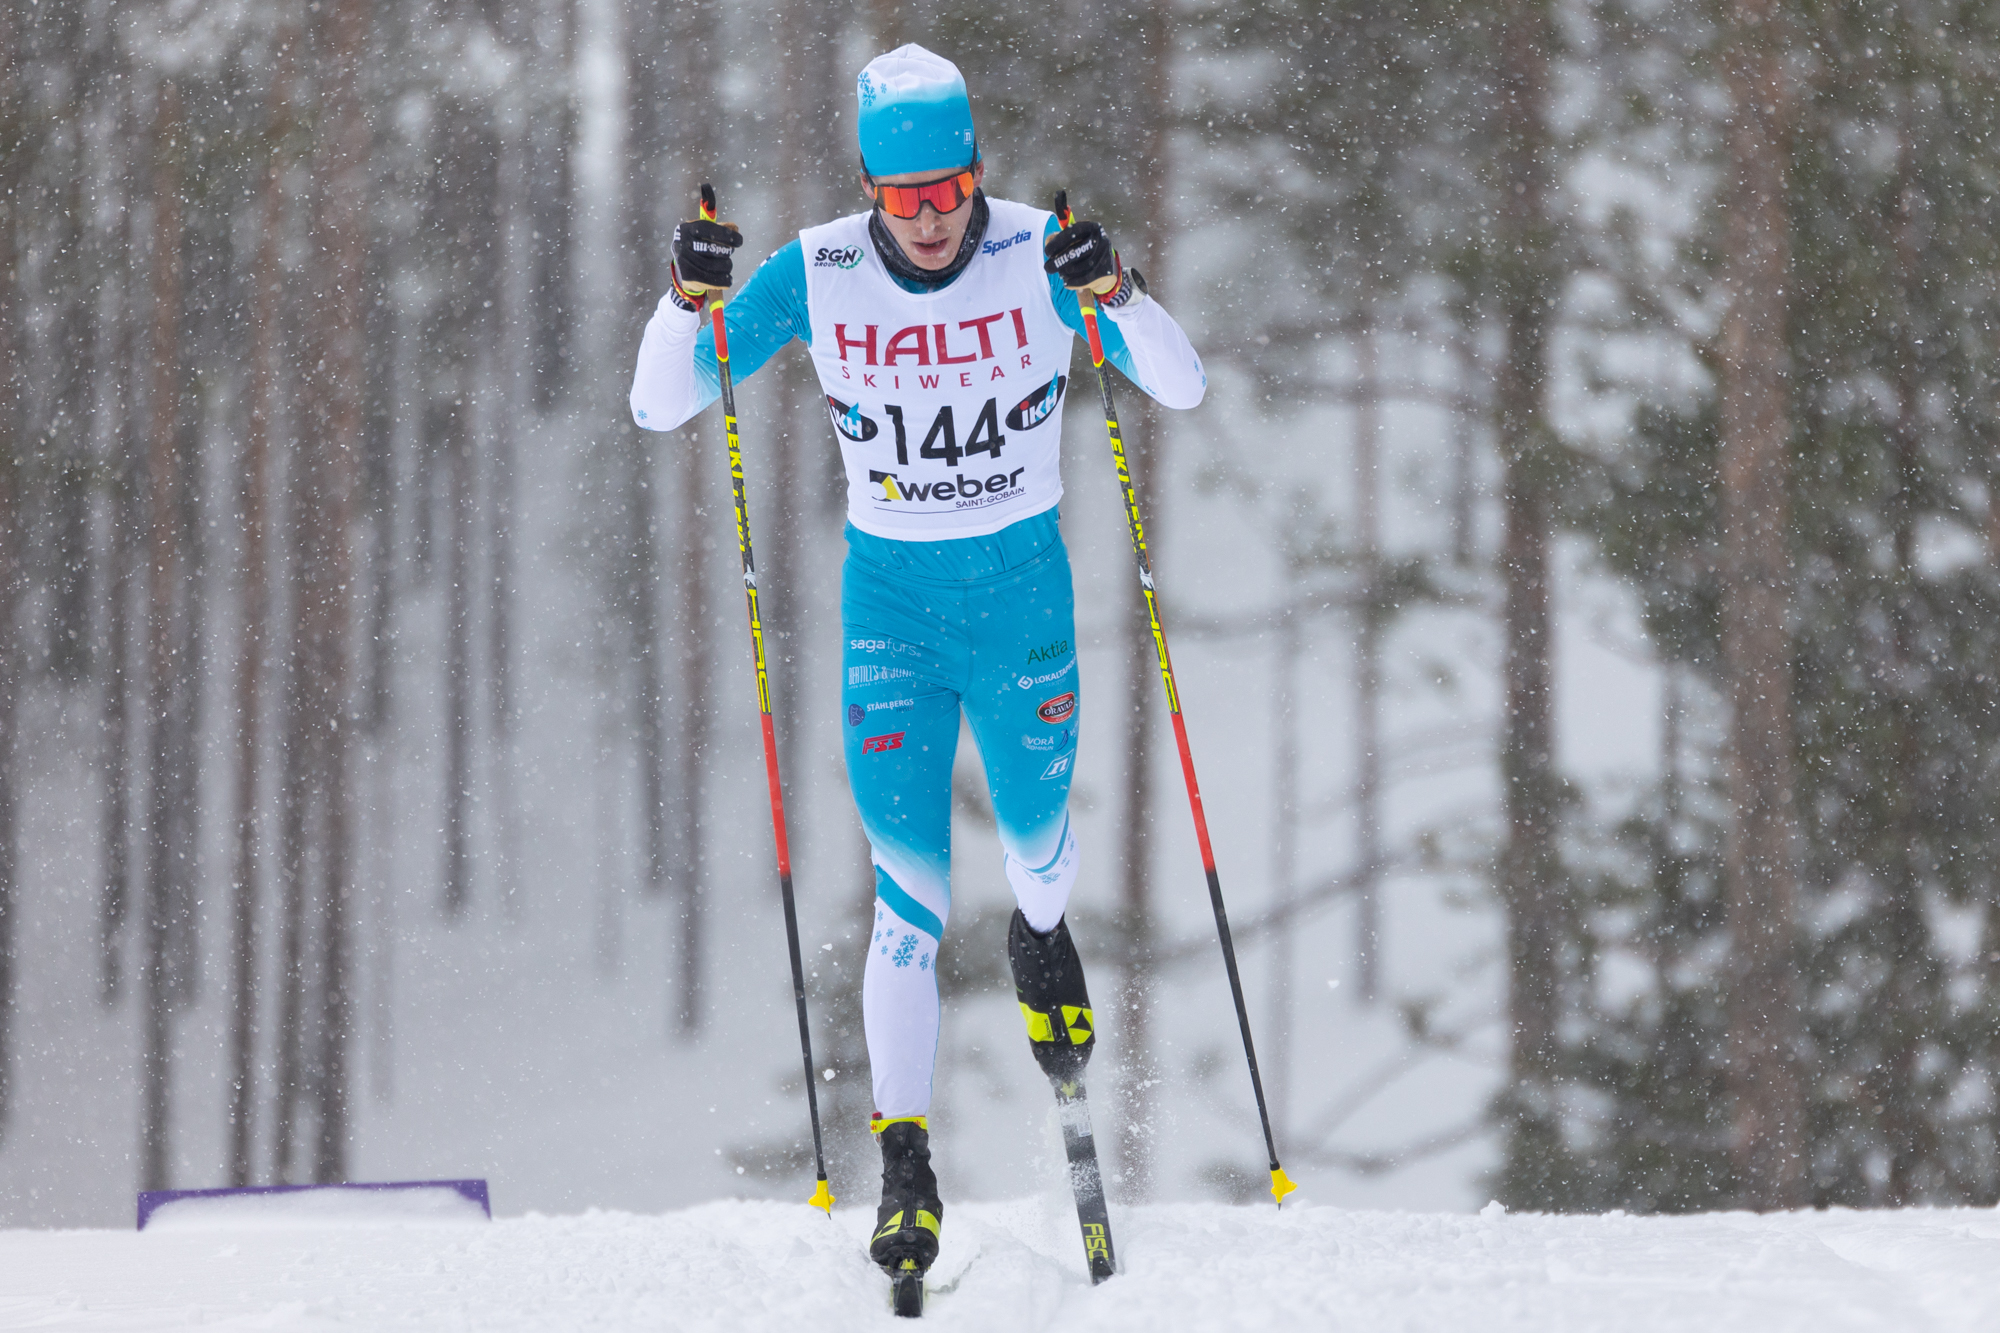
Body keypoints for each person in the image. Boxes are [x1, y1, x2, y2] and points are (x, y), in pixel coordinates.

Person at [629, 44, 1206, 1278]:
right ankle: (906, 1166)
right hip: (889, 606)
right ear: (867, 192)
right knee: (910, 892)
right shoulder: (821, 270)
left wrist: (1116, 294)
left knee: (1035, 843)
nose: (933, 219)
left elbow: (1181, 384)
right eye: (903, 198)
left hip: (1020, 598)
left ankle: (1042, 940)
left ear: (976, 174)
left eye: (949, 190)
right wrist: (681, 305)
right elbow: (661, 404)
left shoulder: (1030, 256)